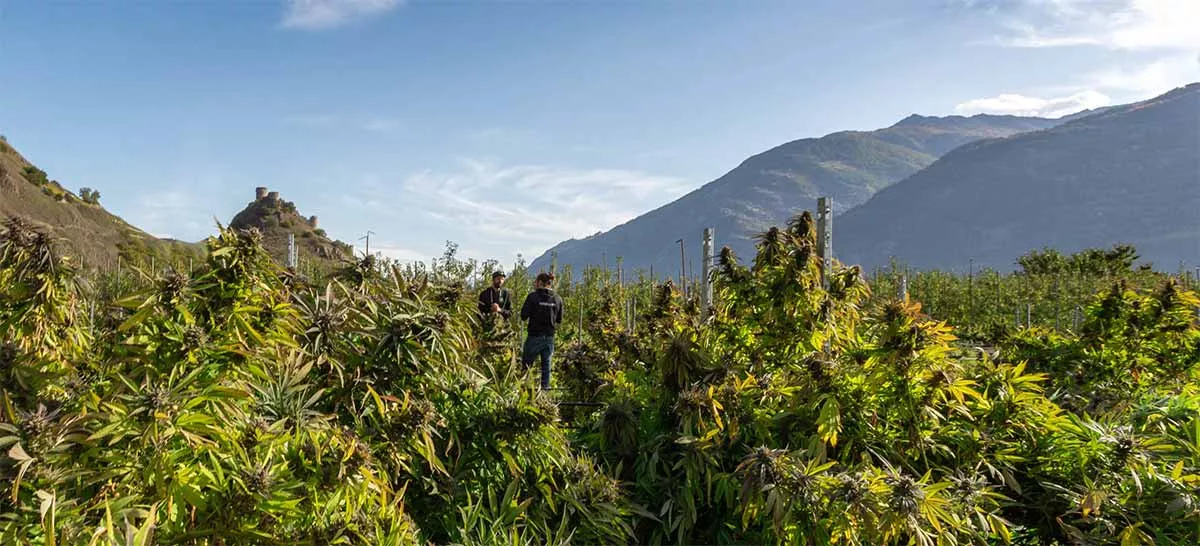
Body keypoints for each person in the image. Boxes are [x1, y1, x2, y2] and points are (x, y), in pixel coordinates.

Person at [520, 272, 563, 390]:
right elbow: (559, 320)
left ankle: (524, 390)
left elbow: (523, 315)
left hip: (534, 335)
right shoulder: (558, 298)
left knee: (526, 365)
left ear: (539, 282)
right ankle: (545, 392)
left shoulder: (532, 297)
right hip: (549, 337)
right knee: (546, 366)